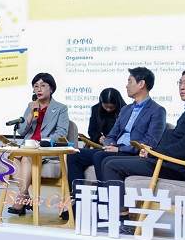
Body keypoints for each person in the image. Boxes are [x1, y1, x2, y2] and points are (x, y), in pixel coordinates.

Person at [104, 68, 185, 226]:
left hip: (174, 168)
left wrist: (153, 152)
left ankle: (121, 219)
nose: (182, 87)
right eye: (180, 82)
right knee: (108, 160)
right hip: (166, 162)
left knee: (112, 166)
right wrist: (151, 150)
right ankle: (116, 214)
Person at [63, 67, 166, 219]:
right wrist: (110, 144)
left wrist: (119, 149)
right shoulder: (126, 110)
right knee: (75, 154)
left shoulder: (157, 110)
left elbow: (150, 141)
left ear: (141, 84)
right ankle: (77, 204)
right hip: (114, 150)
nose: (126, 85)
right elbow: (112, 134)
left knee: (100, 156)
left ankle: (103, 206)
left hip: (132, 154)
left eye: (130, 81)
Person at [7, 72, 69, 215]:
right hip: (28, 146)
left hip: (45, 149)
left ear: (51, 88)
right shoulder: (31, 106)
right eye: (36, 86)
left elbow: (61, 133)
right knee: (12, 159)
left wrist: (42, 142)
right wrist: (30, 114)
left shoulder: (61, 108)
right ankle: (25, 196)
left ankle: (21, 199)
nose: (38, 89)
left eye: (43, 86)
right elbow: (22, 131)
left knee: (26, 158)